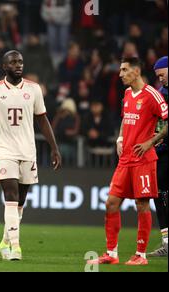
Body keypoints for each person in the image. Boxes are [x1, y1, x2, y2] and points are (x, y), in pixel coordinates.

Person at [0, 50, 61, 261]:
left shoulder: (34, 89)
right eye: (13, 62)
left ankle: (5, 241)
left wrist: (54, 148)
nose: (18, 65)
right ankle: (16, 247)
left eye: (20, 61)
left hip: (27, 150)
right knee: (11, 195)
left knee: (20, 201)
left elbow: (42, 120)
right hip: (4, 149)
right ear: (4, 66)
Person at [88, 57, 168, 266]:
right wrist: (120, 138)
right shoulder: (126, 94)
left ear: (136, 71)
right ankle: (111, 253)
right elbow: (125, 117)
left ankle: (140, 256)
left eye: (124, 70)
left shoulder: (153, 95)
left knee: (142, 205)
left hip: (143, 160)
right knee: (111, 203)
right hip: (125, 160)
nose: (121, 74)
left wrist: (150, 142)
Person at [148, 56, 168, 257]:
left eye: (162, 74)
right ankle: (167, 242)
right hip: (162, 153)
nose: (160, 78)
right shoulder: (160, 93)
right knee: (160, 195)